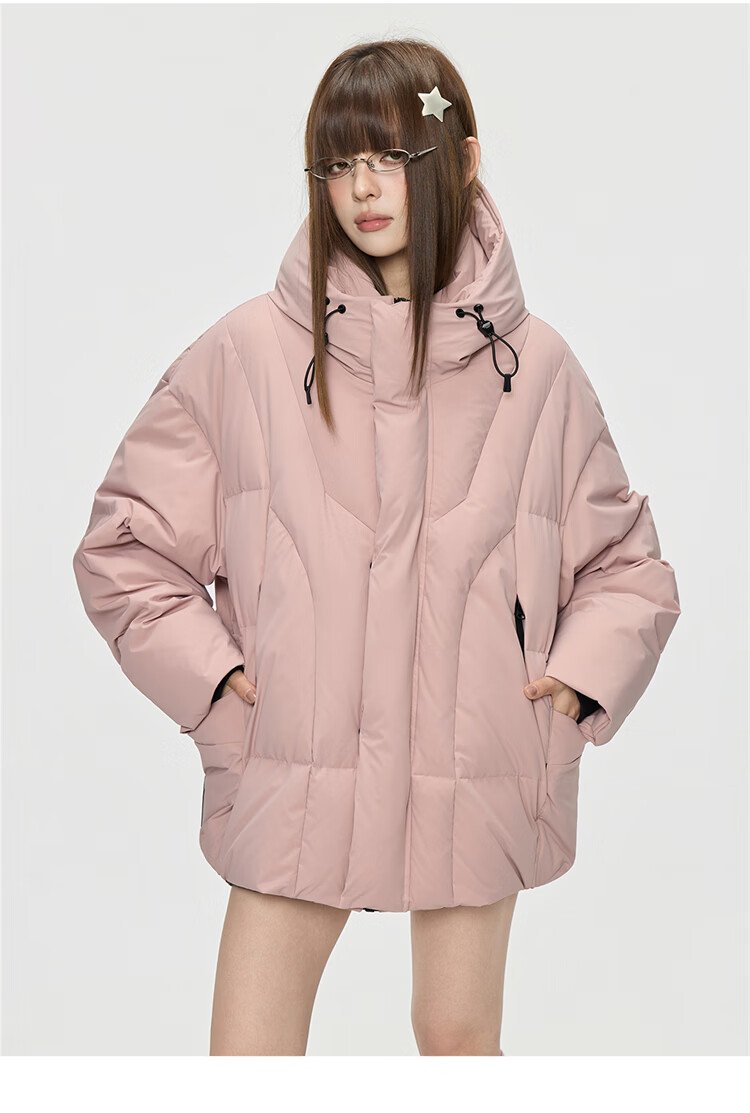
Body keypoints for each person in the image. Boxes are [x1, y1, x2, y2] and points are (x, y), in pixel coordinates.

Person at [72, 39, 681, 1056]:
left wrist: (576, 683)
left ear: (464, 160)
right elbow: (124, 543)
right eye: (339, 161)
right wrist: (214, 680)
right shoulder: (249, 354)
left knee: (457, 1044)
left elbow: (629, 566)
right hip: (296, 765)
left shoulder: (537, 370)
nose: (362, 188)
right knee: (249, 1058)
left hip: (474, 765)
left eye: (392, 157)